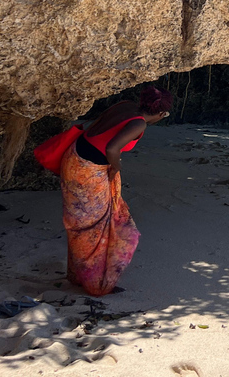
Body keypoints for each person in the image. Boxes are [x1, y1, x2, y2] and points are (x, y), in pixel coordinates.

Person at [59, 85, 173, 296]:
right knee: (93, 226)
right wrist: (116, 166)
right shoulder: (139, 124)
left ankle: (76, 275)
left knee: (81, 222)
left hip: (75, 158)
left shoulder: (125, 105)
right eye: (165, 114)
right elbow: (112, 148)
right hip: (87, 171)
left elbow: (98, 128)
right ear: (160, 113)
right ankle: (95, 283)